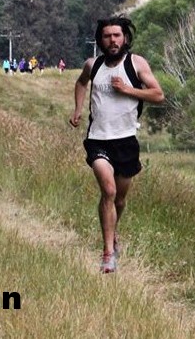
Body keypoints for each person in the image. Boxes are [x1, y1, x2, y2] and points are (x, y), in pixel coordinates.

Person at [70, 16, 164, 274]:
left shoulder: (136, 63)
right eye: (107, 36)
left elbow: (158, 95)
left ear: (125, 38)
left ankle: (113, 233)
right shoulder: (93, 65)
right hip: (97, 139)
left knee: (119, 200)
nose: (112, 41)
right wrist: (78, 109)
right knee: (109, 191)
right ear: (100, 40)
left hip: (126, 140)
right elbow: (81, 82)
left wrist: (128, 90)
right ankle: (108, 253)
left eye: (116, 36)